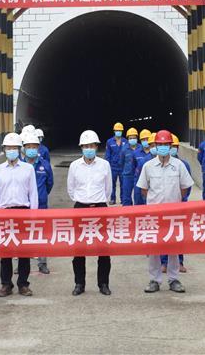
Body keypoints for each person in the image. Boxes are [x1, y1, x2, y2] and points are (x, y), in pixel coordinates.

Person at [138, 130, 193, 294]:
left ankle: (173, 279)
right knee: (154, 248)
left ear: (170, 146)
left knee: (173, 248)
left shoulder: (179, 165)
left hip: (173, 214)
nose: (162, 147)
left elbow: (185, 188)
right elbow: (143, 190)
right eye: (159, 144)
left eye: (165, 145)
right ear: (154, 145)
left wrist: (173, 201)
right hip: (154, 215)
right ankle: (154, 280)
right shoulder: (148, 166)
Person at [0, 132, 38, 297]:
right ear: (4, 150)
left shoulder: (28, 169)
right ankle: (6, 284)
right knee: (6, 252)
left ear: (19, 150)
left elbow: (33, 194)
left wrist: (33, 216)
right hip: (4, 213)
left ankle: (23, 284)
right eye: (8, 148)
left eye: (14, 148)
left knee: (24, 251)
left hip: (23, 212)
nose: (11, 150)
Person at [67, 130, 113, 295]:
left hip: (100, 207)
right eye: (85, 146)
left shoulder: (104, 165)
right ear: (81, 148)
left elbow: (108, 190)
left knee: (103, 249)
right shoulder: (74, 166)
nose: (89, 149)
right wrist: (83, 201)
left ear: (96, 146)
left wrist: (99, 201)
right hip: (80, 208)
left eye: (91, 146)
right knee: (79, 249)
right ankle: (79, 283)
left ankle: (103, 284)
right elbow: (71, 190)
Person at [23, 129, 53, 274]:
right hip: (24, 206)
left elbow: (50, 183)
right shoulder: (20, 165)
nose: (31, 149)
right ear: (24, 148)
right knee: (24, 235)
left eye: (34, 147)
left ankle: (42, 263)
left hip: (41, 205)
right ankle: (23, 263)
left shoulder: (45, 165)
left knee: (42, 234)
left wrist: (41, 195)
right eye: (28, 147)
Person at [162, 133, 190, 273]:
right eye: (169, 146)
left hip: (178, 205)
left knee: (178, 235)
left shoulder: (183, 165)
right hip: (162, 206)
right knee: (163, 235)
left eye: (173, 146)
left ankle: (179, 261)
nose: (171, 148)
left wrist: (180, 199)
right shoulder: (155, 164)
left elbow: (187, 186)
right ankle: (164, 262)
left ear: (177, 148)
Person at [131, 130, 155, 205]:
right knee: (139, 203)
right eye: (143, 139)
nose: (145, 141)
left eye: (147, 139)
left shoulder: (157, 156)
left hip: (152, 182)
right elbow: (133, 168)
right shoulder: (136, 153)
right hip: (139, 180)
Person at [120, 129, 142, 206]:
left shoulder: (141, 148)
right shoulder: (124, 149)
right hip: (127, 175)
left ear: (137, 138)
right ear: (128, 139)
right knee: (126, 197)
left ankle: (138, 213)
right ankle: (127, 214)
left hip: (139, 176)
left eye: (134, 138)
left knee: (138, 196)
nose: (132, 139)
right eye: (130, 138)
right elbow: (122, 162)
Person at [105, 122, 126, 204]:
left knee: (123, 184)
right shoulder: (109, 142)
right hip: (113, 167)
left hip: (123, 167)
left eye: (120, 130)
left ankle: (122, 199)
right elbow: (107, 155)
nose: (118, 132)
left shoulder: (125, 141)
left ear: (122, 131)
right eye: (117, 130)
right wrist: (107, 166)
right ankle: (112, 199)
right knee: (112, 184)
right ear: (114, 131)